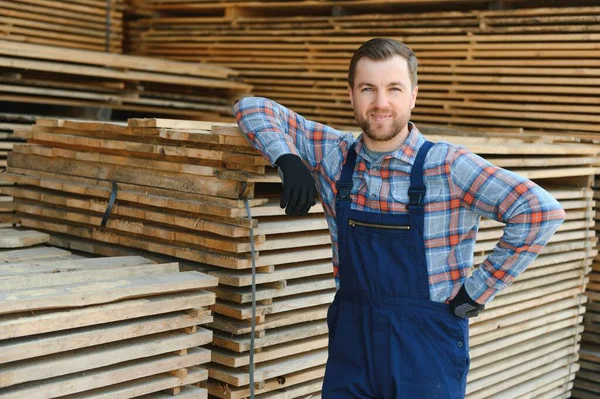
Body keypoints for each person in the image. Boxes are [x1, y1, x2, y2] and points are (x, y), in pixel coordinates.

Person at [233, 38, 566, 399]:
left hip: (425, 352)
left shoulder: (448, 166)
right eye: (368, 89)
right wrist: (287, 158)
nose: (380, 103)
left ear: (413, 96)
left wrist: (477, 291)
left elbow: (539, 210)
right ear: (351, 95)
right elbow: (251, 108)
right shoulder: (335, 155)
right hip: (353, 347)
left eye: (394, 89)